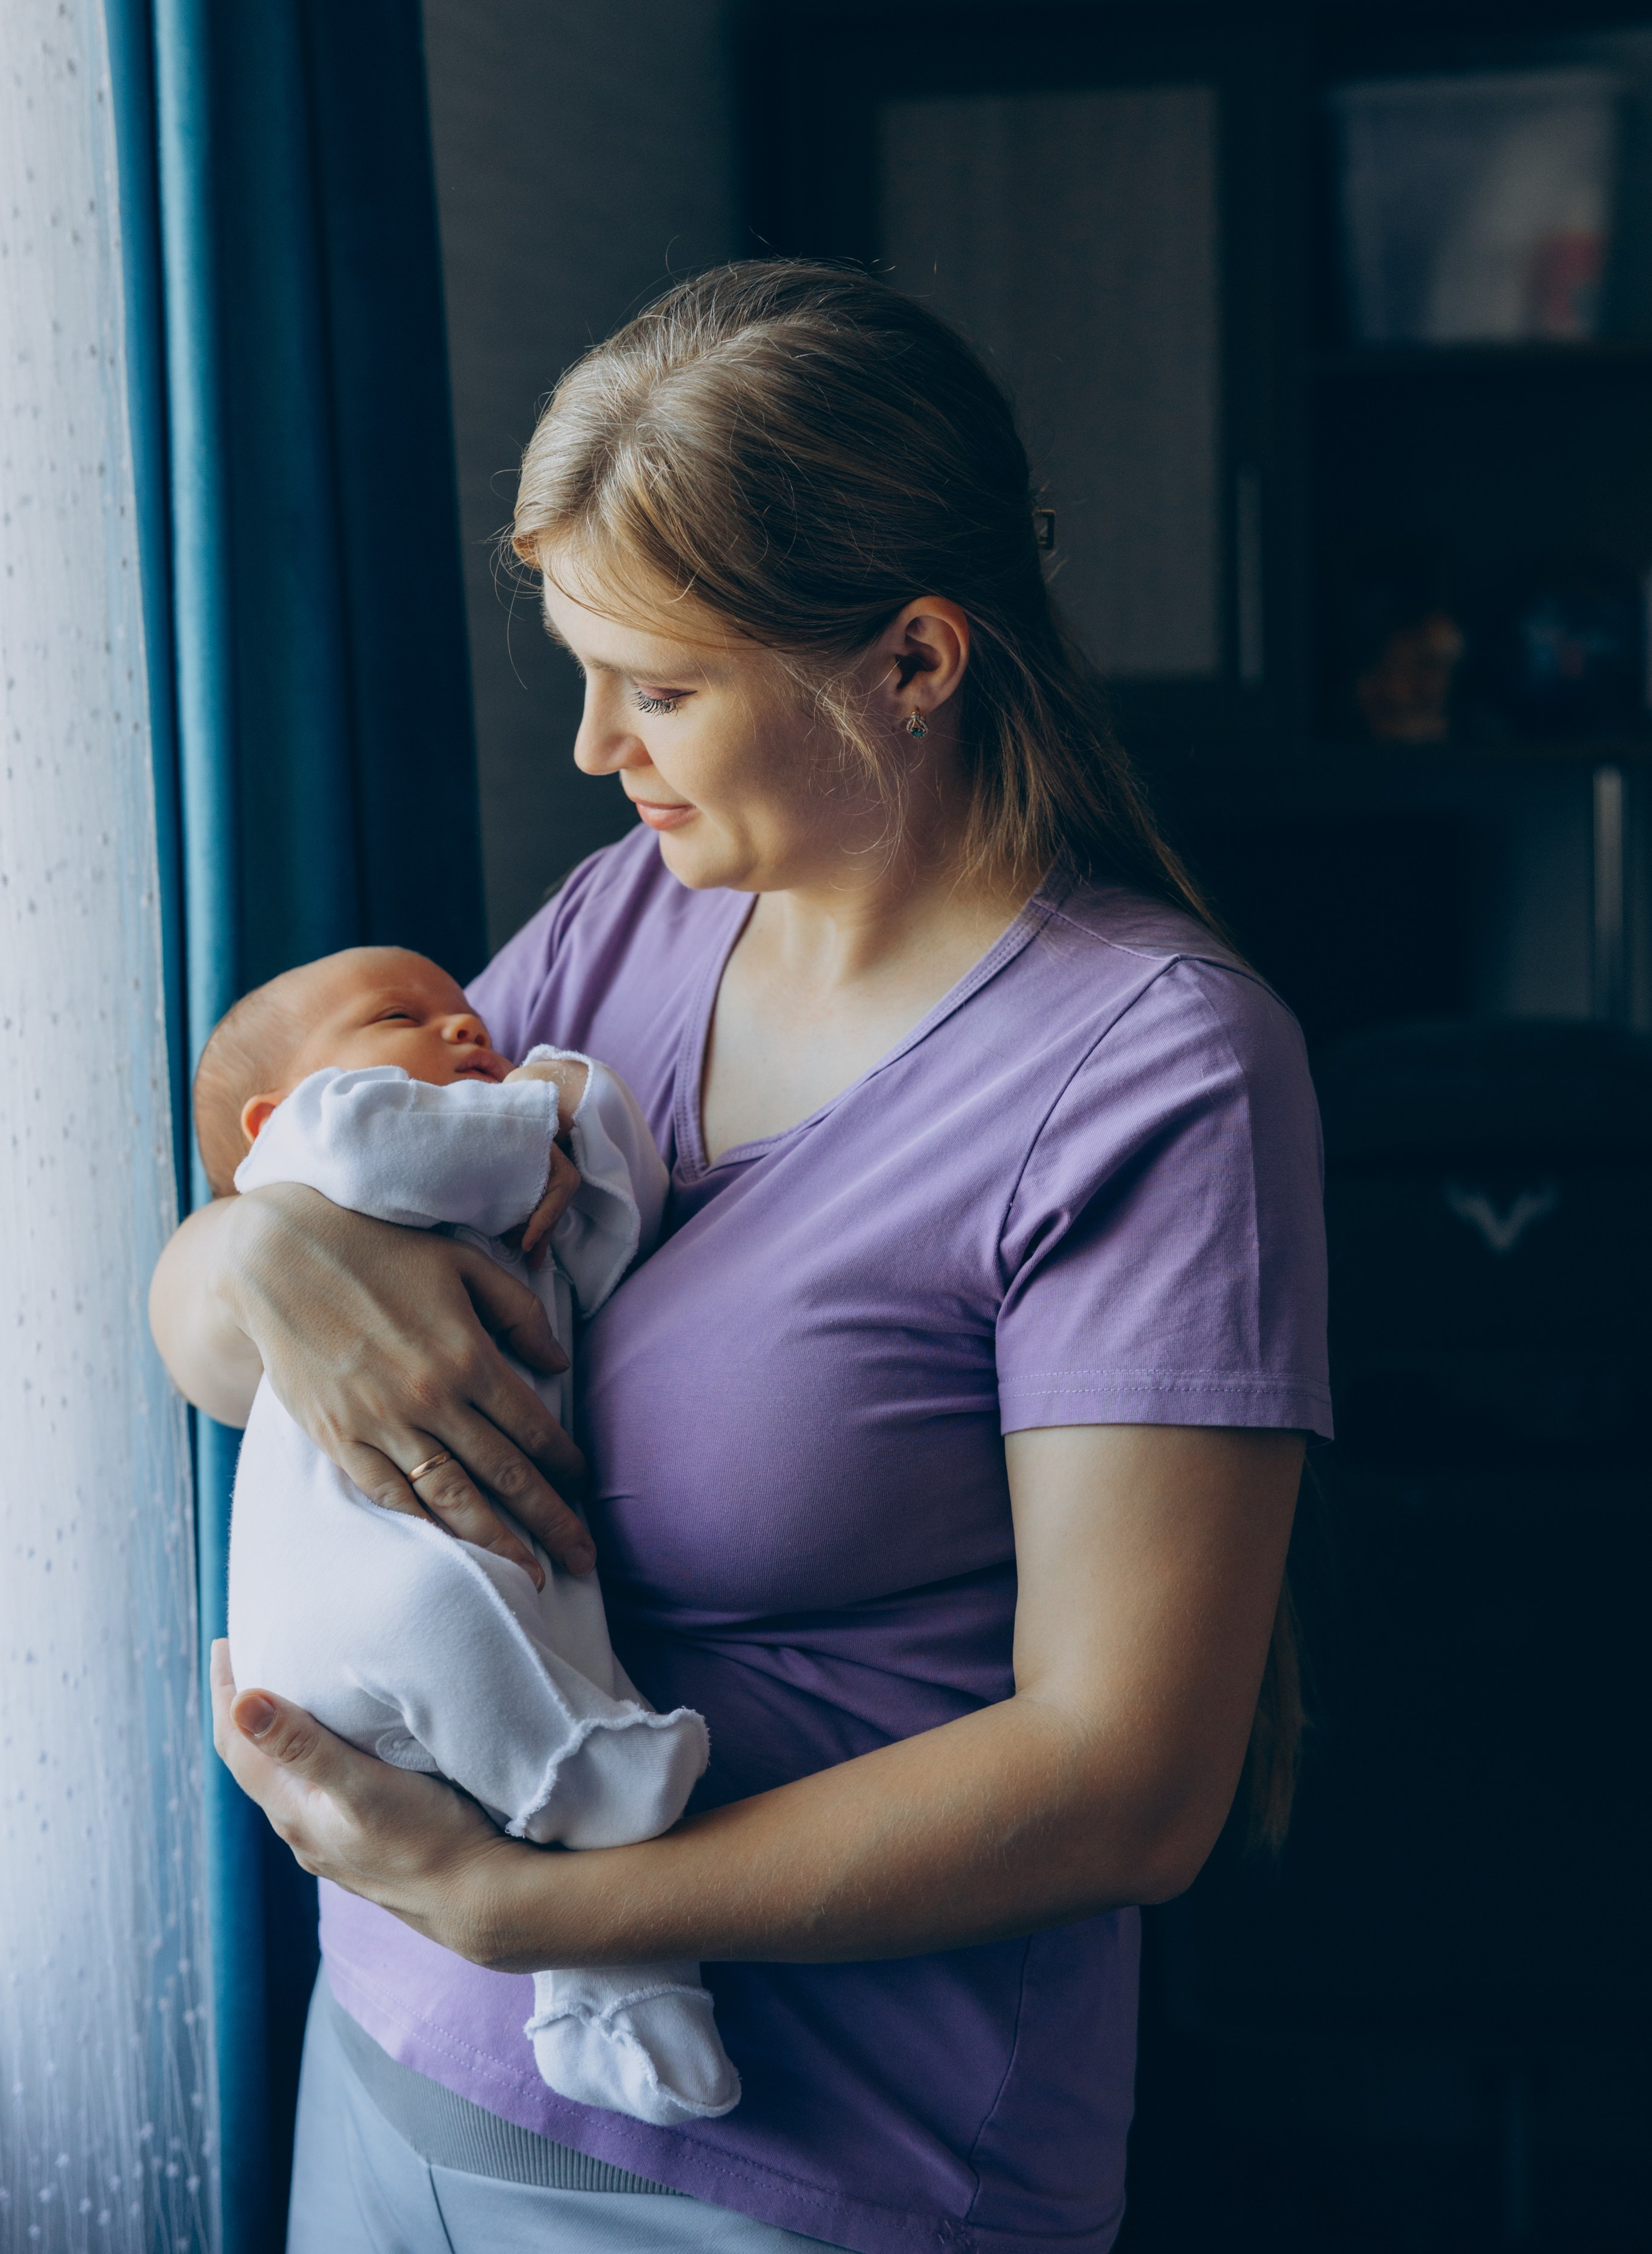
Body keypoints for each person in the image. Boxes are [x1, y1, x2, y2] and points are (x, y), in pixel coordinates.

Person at [150, 261, 1329, 2254]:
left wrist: (550, 1911)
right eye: (584, 670)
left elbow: (1128, 1778)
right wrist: (254, 1264)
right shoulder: (628, 924)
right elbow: (220, 1314)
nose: (603, 745)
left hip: (810, 2170)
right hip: (397, 2061)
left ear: (918, 660)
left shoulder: (1160, 1074)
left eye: (666, 686)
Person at [203, 944, 738, 2125]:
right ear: (268, 1117)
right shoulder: (323, 1146)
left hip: (509, 1575)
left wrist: (578, 1111)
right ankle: (582, 1782)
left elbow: (619, 1224)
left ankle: (620, 2009)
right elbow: (362, 1140)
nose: (463, 1032)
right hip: (351, 1602)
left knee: (564, 1664)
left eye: (466, 1016)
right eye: (403, 1015)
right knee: (454, 1629)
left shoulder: (508, 1208)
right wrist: (534, 1113)